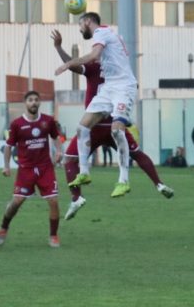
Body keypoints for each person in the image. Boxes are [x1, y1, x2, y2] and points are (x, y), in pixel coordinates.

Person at [51, 30, 173, 221]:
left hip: (95, 126)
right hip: (112, 124)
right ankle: (159, 184)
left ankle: (77, 198)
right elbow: (76, 66)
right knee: (137, 153)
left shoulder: (99, 67)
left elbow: (74, 66)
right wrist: (60, 48)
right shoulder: (112, 69)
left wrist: (59, 48)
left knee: (69, 160)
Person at [54, 12, 138, 197]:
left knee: (117, 130)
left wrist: (68, 64)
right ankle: (84, 172)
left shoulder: (101, 32)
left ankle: (123, 181)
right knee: (83, 127)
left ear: (87, 21)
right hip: (109, 86)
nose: (80, 29)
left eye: (80, 24)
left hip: (123, 86)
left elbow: (94, 55)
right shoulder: (111, 34)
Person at [0, 91, 62, 248]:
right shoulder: (17, 124)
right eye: (30, 100)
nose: (33, 102)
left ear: (39, 103)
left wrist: (59, 151)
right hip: (26, 170)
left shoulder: (48, 121)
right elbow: (9, 146)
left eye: (36, 100)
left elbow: (55, 137)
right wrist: (6, 166)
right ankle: (4, 227)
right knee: (17, 202)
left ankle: (53, 235)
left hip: (45, 168)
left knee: (53, 201)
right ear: (25, 103)